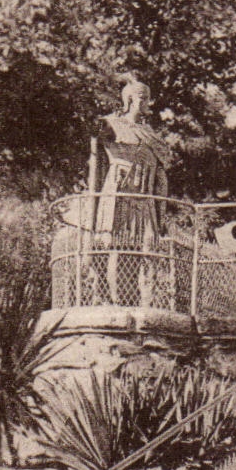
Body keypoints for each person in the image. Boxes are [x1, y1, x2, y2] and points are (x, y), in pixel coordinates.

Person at [94, 70, 172, 303]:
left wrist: (161, 212)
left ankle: (144, 303)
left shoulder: (151, 134)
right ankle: (112, 302)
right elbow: (95, 161)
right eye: (143, 97)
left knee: (148, 252)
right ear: (129, 100)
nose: (148, 102)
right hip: (119, 198)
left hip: (145, 200)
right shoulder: (111, 125)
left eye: (147, 97)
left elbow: (160, 177)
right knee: (117, 251)